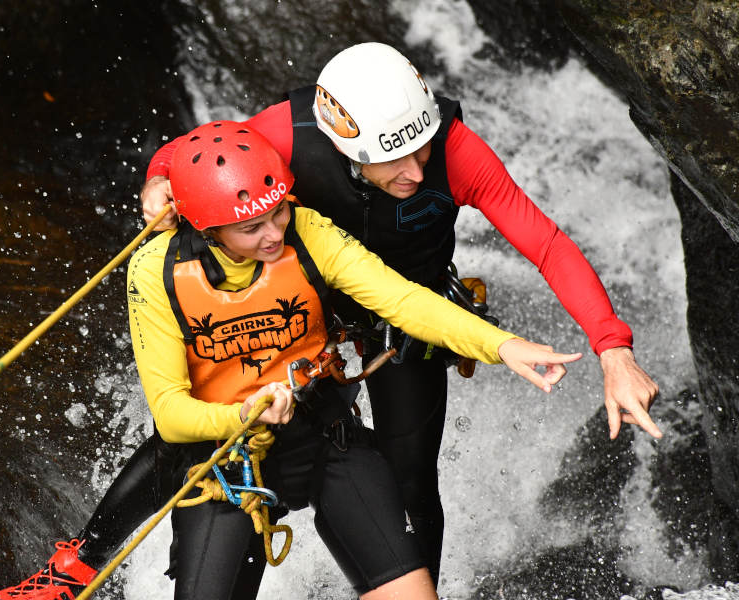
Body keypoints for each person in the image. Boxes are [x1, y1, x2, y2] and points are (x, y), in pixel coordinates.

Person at [136, 42, 662, 584]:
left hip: (408, 317)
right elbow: (196, 153)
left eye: (422, 150)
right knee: (223, 441)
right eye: (394, 157)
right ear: (345, 146)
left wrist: (613, 348)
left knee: (410, 481)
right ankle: (104, 553)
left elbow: (545, 244)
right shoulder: (287, 135)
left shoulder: (455, 151)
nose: (414, 171)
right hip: (303, 312)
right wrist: (159, 181)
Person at [0, 121, 581, 600]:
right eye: (252, 227)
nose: (275, 234)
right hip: (223, 466)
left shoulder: (308, 232)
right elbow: (172, 417)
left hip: (327, 439)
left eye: (278, 214)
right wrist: (244, 413)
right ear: (207, 224)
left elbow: (401, 300)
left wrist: (501, 345)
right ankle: (76, 565)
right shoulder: (155, 270)